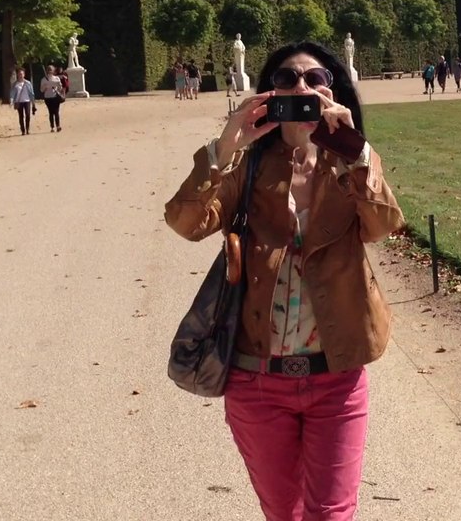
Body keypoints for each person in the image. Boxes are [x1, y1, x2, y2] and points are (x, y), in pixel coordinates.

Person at [165, 41, 404, 521]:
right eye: (286, 80)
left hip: (335, 378)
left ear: (332, 93)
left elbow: (382, 226)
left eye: (316, 80)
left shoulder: (350, 164)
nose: (302, 88)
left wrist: (356, 152)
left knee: (332, 513)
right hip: (257, 381)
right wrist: (223, 147)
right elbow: (186, 223)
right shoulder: (247, 167)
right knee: (283, 513)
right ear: (268, 96)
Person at [10, 68, 36, 136]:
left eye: (21, 74)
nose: (20, 75)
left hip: (27, 101)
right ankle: (23, 130)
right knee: (21, 116)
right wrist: (11, 100)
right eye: (19, 74)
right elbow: (12, 93)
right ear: (17, 75)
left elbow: (31, 93)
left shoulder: (28, 83)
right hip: (19, 102)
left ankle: (27, 129)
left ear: (24, 75)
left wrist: (33, 103)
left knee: (28, 115)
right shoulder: (15, 84)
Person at [40, 65, 65, 132]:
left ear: (53, 71)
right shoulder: (43, 79)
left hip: (55, 96)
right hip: (47, 97)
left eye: (51, 70)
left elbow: (60, 88)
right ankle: (52, 127)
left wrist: (59, 85)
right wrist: (45, 87)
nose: (50, 71)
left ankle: (58, 126)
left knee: (56, 112)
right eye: (49, 70)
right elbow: (41, 90)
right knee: (51, 112)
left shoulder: (56, 78)